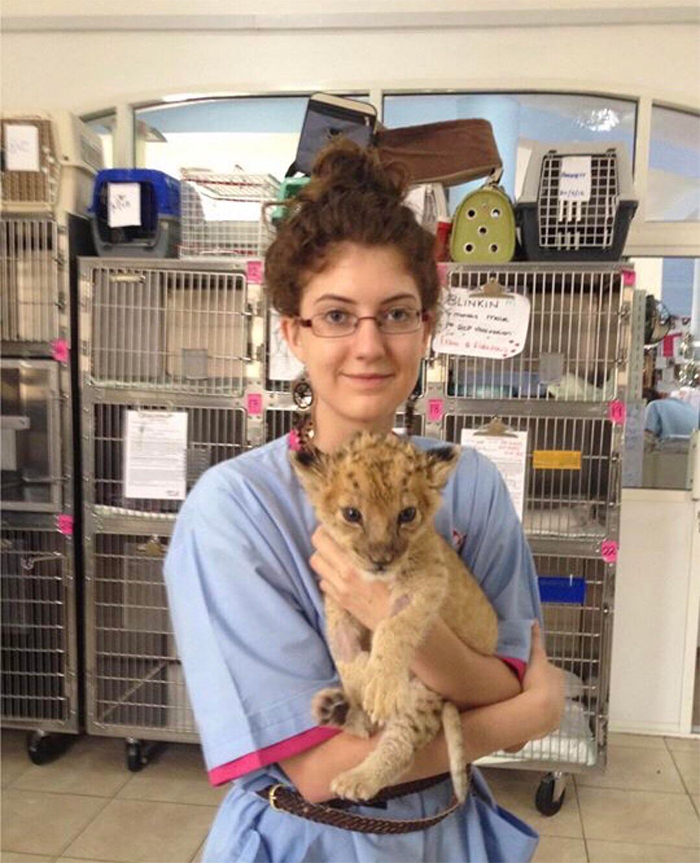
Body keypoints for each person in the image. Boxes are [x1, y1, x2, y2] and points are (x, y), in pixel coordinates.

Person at [164, 139, 565, 863]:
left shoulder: (464, 483)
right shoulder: (233, 512)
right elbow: (320, 769)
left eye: (398, 313)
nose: (371, 345)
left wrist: (403, 624)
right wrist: (518, 714)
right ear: (292, 333)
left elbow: (505, 669)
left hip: (447, 832)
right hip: (307, 839)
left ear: (428, 325)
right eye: (338, 315)